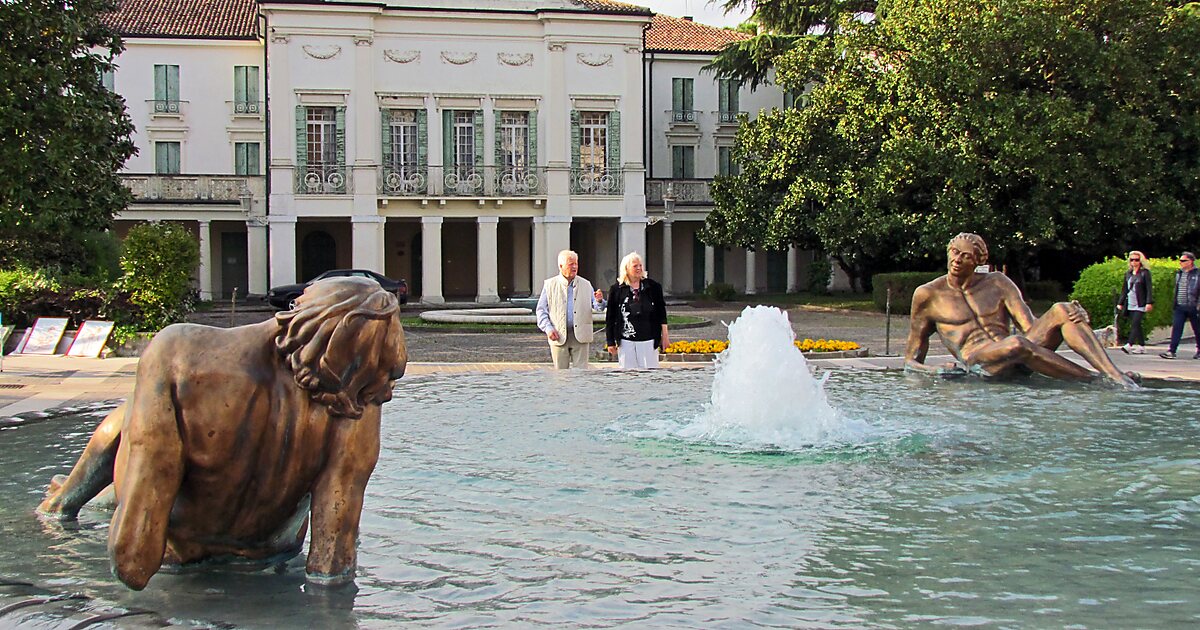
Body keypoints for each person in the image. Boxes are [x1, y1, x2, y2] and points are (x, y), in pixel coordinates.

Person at [37, 277, 408, 590]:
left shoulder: (180, 351)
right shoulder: (355, 391)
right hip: (270, 554)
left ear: (298, 308)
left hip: (175, 554)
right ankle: (91, 499)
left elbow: (131, 561)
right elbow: (333, 560)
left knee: (125, 418)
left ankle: (63, 503)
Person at [905, 233, 1137, 388]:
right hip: (979, 361)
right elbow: (910, 361)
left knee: (1062, 309)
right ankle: (1095, 381)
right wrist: (934, 371)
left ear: (977, 261)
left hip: (1017, 352)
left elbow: (1031, 328)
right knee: (1017, 343)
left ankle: (1115, 375)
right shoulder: (928, 294)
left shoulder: (997, 282)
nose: (957, 260)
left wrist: (1077, 318)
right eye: (955, 252)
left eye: (966, 256)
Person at [536, 249, 604, 369]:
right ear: (561, 266)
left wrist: (599, 301)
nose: (574, 267)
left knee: (581, 375)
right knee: (561, 376)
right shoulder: (549, 285)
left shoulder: (586, 284)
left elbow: (598, 307)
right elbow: (541, 310)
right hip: (558, 335)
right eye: (571, 264)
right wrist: (548, 328)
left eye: (576, 263)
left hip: (581, 337)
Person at [605, 252, 669, 369]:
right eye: (635, 266)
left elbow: (661, 312)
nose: (639, 268)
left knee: (649, 375)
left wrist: (664, 335)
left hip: (648, 339)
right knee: (628, 376)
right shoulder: (616, 289)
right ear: (626, 268)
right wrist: (610, 341)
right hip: (626, 341)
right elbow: (610, 317)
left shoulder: (653, 287)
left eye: (640, 265)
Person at [1158, 251, 1200, 359]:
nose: (1180, 262)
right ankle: (1172, 351)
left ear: (1190, 261)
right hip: (1180, 306)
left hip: (1193, 306)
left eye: (1183, 260)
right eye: (1180, 260)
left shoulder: (1197, 274)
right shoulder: (1179, 273)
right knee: (1177, 328)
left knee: (1198, 330)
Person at [1116, 250, 1153, 354]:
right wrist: (1120, 302)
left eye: (1136, 260)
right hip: (1130, 302)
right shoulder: (1128, 274)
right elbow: (1124, 289)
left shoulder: (1145, 273)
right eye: (1132, 260)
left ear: (1140, 261)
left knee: (1135, 323)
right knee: (1137, 325)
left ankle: (1129, 344)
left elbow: (1149, 288)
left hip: (1140, 303)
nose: (1134, 262)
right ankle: (1142, 346)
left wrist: (1149, 302)